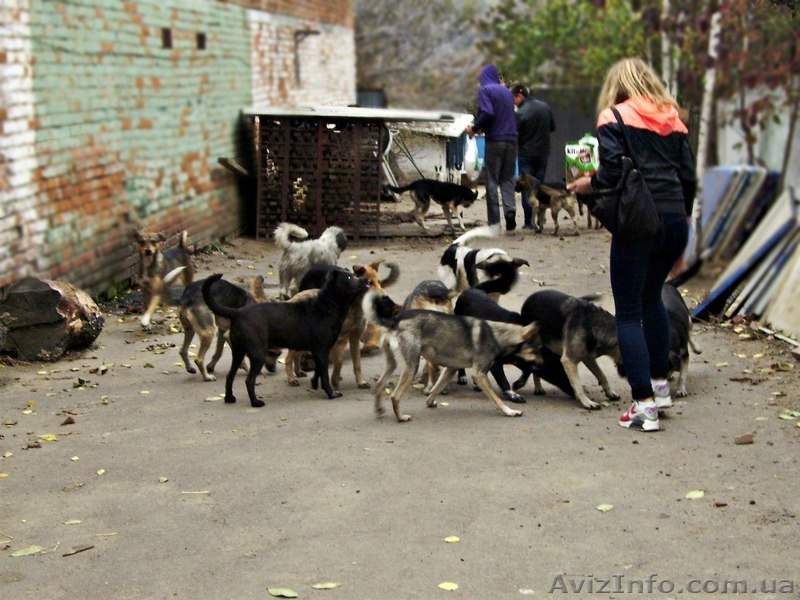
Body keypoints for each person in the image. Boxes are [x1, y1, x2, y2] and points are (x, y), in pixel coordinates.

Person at [567, 57, 697, 432]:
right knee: (651, 298)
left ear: (618, 86)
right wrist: (684, 222)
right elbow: (688, 178)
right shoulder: (674, 118)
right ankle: (660, 388)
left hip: (639, 222)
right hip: (674, 220)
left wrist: (586, 184)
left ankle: (644, 406)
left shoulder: (614, 117)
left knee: (627, 313)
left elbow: (609, 173)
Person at [466, 64, 518, 232]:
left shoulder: (485, 90)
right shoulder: (507, 93)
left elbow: (488, 113)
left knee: (492, 181)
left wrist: (475, 128)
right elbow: (504, 116)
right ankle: (510, 212)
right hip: (512, 141)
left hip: (495, 141)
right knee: (507, 179)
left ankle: (495, 223)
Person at [510, 82, 556, 230]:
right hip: (543, 152)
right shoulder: (545, 107)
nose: (513, 103)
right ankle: (540, 220)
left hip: (526, 154)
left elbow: (516, 134)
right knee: (540, 187)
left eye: (513, 99)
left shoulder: (520, 113)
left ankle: (529, 222)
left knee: (527, 188)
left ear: (519, 96)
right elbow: (552, 127)